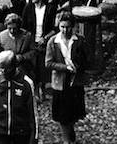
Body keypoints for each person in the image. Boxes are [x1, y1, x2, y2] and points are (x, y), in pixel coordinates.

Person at [45, 12, 87, 144]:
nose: (65, 30)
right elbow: (48, 63)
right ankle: (66, 139)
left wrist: (77, 66)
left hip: (75, 81)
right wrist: (64, 67)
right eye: (62, 26)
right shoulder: (53, 41)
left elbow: (86, 60)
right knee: (63, 114)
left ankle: (70, 130)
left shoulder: (79, 40)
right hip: (60, 82)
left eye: (68, 27)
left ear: (73, 27)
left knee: (74, 111)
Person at [0, 51, 37, 144]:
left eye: (6, 69)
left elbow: (33, 113)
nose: (3, 72)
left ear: (14, 66)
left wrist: (34, 138)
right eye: (1, 68)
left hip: (21, 133)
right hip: (0, 133)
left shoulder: (26, 83)